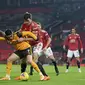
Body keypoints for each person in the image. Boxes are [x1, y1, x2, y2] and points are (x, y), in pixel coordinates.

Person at [15, 12, 50, 80]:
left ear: (29, 19)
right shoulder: (24, 24)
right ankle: (22, 75)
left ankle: (46, 75)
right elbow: (20, 31)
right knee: (23, 60)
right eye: (24, 21)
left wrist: (23, 39)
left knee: (35, 60)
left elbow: (35, 38)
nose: (25, 22)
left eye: (26, 21)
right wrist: (15, 34)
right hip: (29, 44)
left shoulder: (35, 26)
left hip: (37, 43)